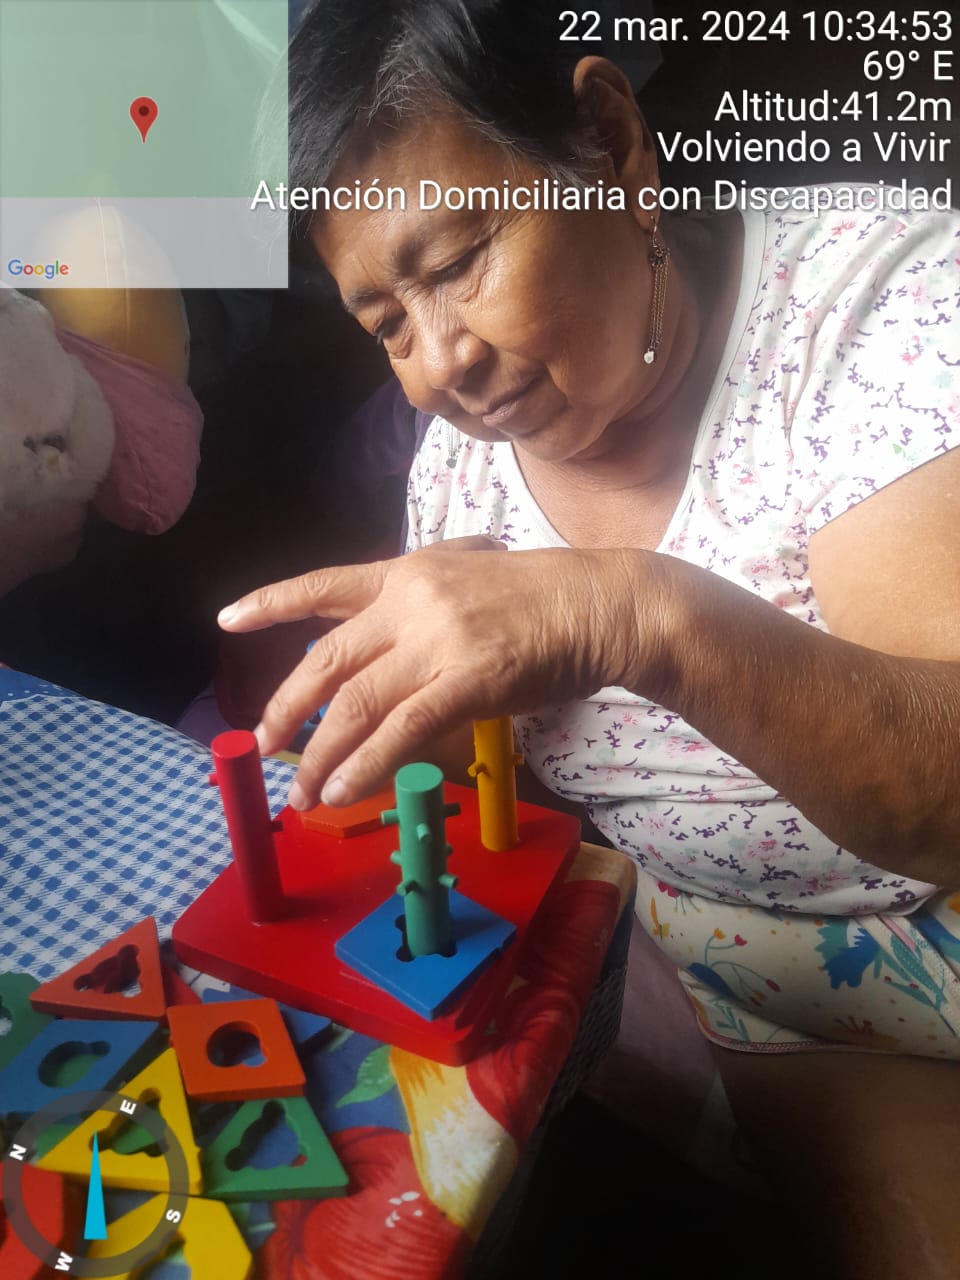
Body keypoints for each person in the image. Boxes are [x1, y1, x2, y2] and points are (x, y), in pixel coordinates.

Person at [218, 3, 960, 1274]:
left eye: (459, 261)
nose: (440, 363)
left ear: (610, 144)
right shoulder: (458, 482)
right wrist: (403, 748)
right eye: (386, 322)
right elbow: (475, 810)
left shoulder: (871, 305)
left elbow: (943, 801)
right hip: (782, 993)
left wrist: (626, 611)